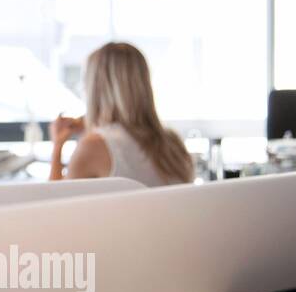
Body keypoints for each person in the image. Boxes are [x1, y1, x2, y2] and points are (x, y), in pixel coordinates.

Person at [49, 42, 194, 186]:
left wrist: (57, 146)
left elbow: (54, 201)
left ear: (95, 88)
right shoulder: (174, 143)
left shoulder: (92, 145)